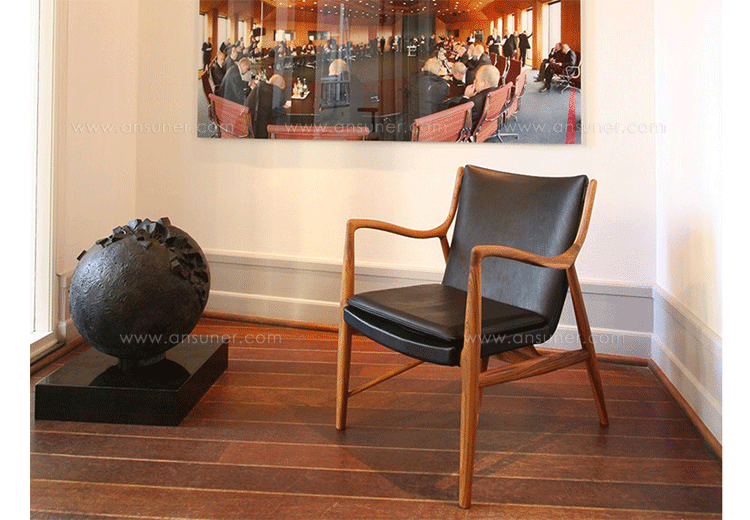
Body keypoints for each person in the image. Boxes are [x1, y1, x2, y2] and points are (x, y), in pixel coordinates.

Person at [444, 64, 501, 131]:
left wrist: (466, 97)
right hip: (488, 127)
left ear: (485, 83)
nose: (474, 81)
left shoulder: (474, 103)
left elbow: (457, 118)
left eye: (476, 79)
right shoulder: (499, 92)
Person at [405, 58, 450, 133]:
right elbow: (447, 92)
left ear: (423, 68)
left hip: (411, 122)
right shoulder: (442, 85)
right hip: (431, 124)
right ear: (438, 72)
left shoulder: (413, 78)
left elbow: (406, 93)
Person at [245, 74, 289, 138]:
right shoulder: (276, 91)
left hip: (250, 126)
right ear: (280, 85)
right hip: (263, 130)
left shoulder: (258, 87)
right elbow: (282, 102)